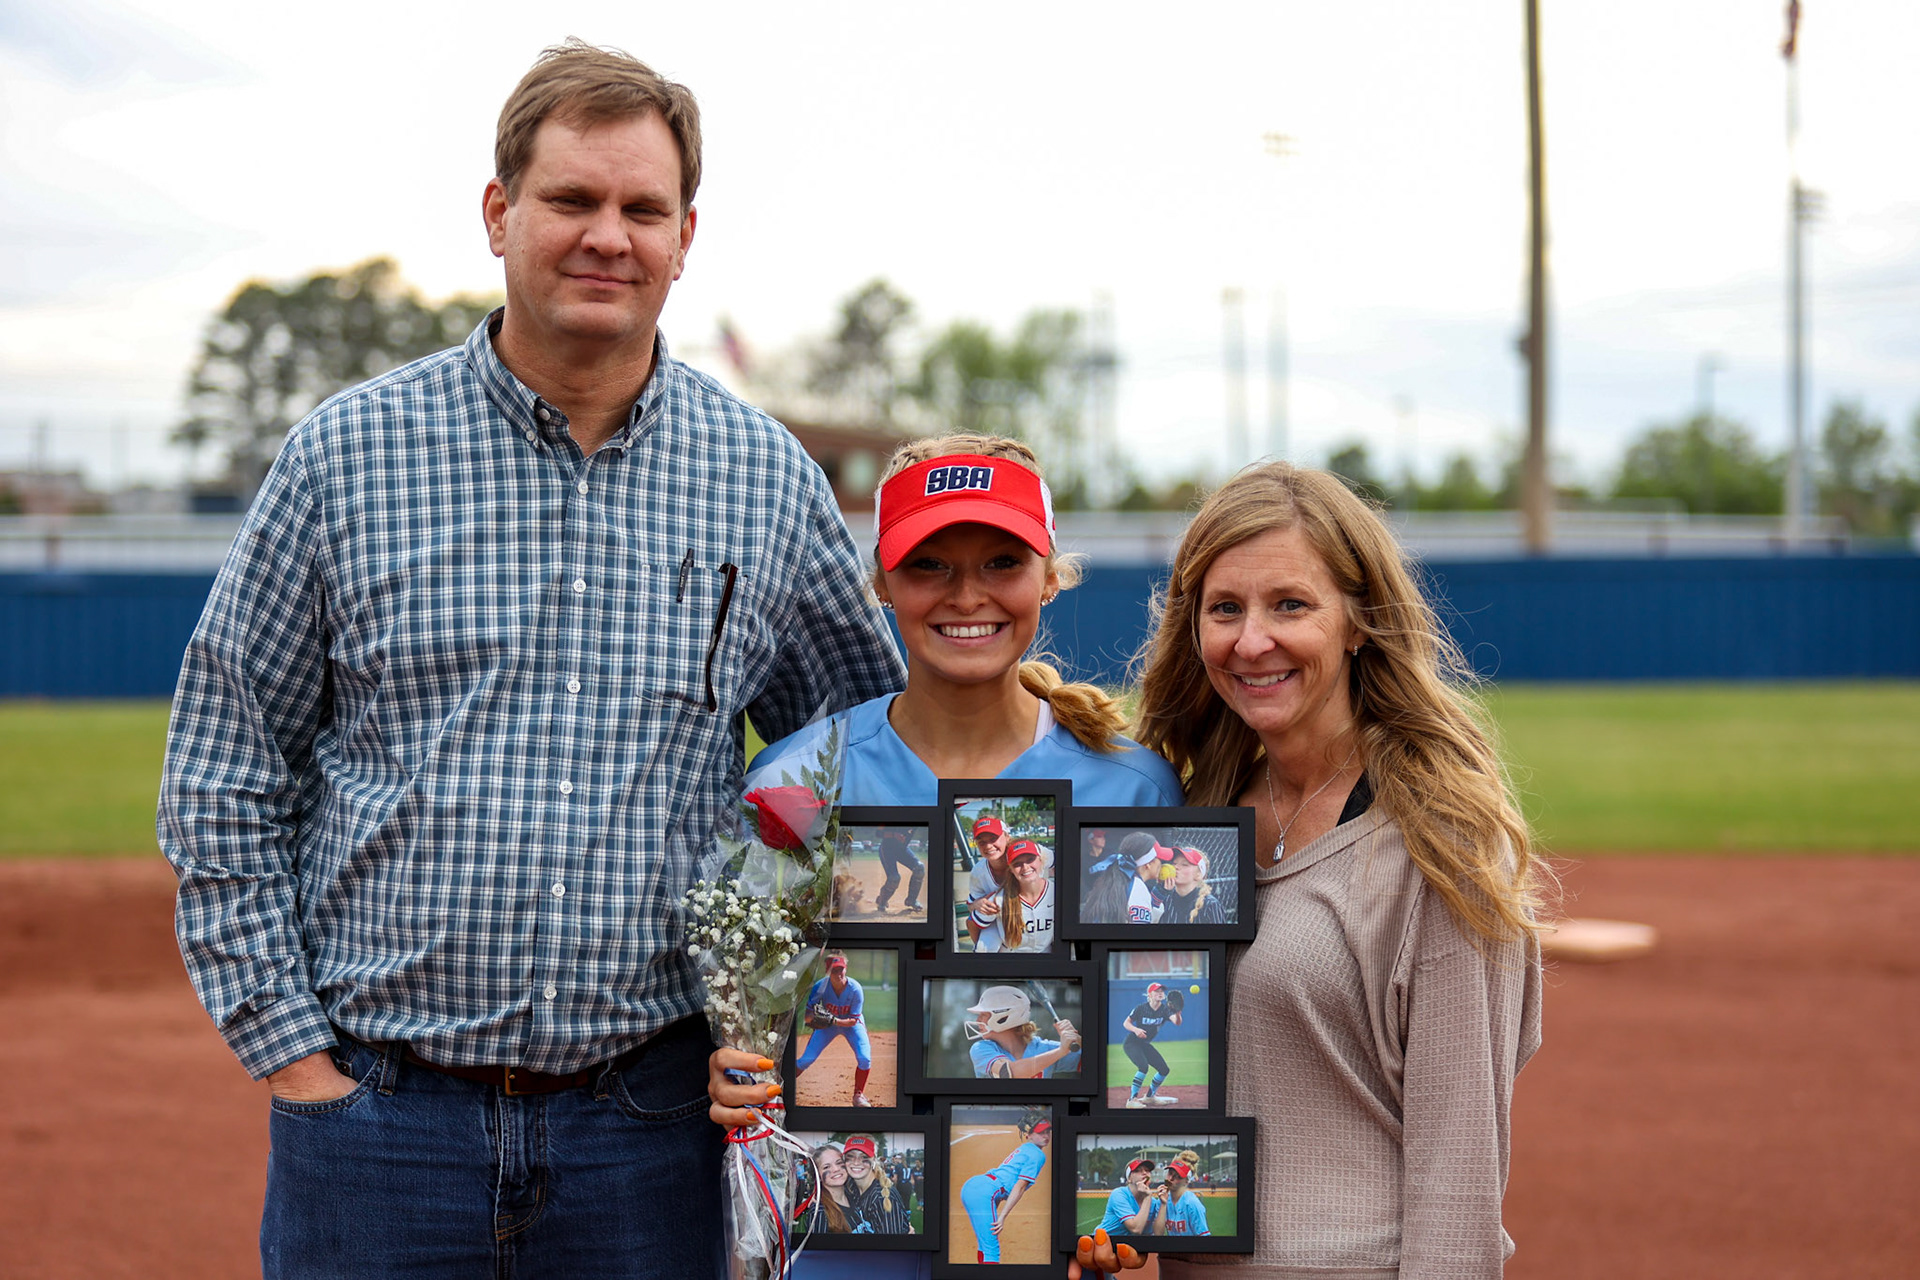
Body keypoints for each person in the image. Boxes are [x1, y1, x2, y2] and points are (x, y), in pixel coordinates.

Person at [155, 41, 904, 1279]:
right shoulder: (349, 456)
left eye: (641, 208)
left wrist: (782, 1022)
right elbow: (226, 765)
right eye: (572, 200)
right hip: (380, 1123)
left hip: (652, 1132)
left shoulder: (765, 479)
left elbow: (869, 755)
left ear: (685, 237)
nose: (608, 234)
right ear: (500, 214)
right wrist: (300, 1060)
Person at [709, 432, 1179, 1280]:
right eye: (930, 565)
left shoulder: (1134, 788)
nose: (969, 595)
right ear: (881, 584)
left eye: (1003, 561)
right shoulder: (795, 780)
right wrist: (738, 1070)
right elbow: (755, 1011)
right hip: (845, 1250)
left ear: (1050, 577)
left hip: (1046, 1244)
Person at [1093, 460, 1549, 1279]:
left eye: (1290, 605)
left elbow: (1458, 1181)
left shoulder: (1444, 842)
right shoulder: (1192, 820)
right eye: (1224, 608)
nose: (1251, 640)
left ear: (1358, 621)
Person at [960, 1117, 1053, 1265]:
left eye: (1048, 1132)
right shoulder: (1038, 1154)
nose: (1046, 1136)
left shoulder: (1025, 1148)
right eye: (1041, 1132)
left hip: (975, 1187)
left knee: (984, 1244)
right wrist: (1002, 1217)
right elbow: (1020, 1186)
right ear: (1028, 1135)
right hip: (984, 1193)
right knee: (992, 1250)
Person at [796, 953, 874, 1107]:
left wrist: (833, 1020)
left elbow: (853, 1020)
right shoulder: (820, 987)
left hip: (852, 1025)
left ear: (846, 969)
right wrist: (815, 1018)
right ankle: (782, 1086)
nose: (839, 974)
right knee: (806, 1060)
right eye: (834, 970)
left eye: (841, 969)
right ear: (828, 971)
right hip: (828, 1027)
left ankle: (858, 1096)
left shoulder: (855, 989)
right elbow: (807, 1016)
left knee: (865, 1059)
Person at [965, 985, 1082, 1080]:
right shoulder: (981, 1048)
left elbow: (1097, 1063)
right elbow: (1008, 1073)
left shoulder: (1044, 1048)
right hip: (998, 1109)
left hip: (1042, 1109)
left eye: (983, 1015)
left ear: (1002, 1017)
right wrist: (1061, 1051)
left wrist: (1077, 1040)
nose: (978, 1020)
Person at [971, 837, 1055, 952]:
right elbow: (972, 924)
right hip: (1012, 964)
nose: (1025, 867)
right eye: (1017, 864)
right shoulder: (999, 899)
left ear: (1041, 860)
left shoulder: (1056, 893)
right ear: (1010, 869)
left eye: (1030, 859)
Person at [1117, 982, 1180, 1107]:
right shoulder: (1141, 1008)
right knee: (1143, 1067)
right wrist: (1136, 1030)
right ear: (1150, 994)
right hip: (1132, 1043)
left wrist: (1178, 1012)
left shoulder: (1165, 1010)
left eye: (1162, 991)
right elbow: (1126, 1023)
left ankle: (1150, 1097)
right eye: (1157, 991)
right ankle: (1132, 1100)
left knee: (1163, 1070)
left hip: (1144, 1044)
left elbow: (1176, 1022)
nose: (1160, 993)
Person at [843, 1134, 913, 1234]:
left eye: (864, 1157)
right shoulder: (851, 1187)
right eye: (850, 1157)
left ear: (874, 1160)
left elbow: (892, 1247)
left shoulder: (882, 1198)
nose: (856, 1162)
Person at [1095, 1158, 1166, 1237]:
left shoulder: (1153, 1202)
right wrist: (1147, 1197)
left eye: (1147, 1170)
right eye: (1138, 1170)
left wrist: (1163, 1204)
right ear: (1129, 1179)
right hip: (1104, 1242)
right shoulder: (1119, 1194)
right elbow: (1136, 1229)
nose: (1144, 1173)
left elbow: (1158, 1234)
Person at [1157, 846, 1226, 926]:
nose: (1176, 867)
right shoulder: (1165, 900)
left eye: (1184, 864)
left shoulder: (1210, 905)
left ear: (1198, 875)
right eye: (1174, 863)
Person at [805, 1142, 857, 1235]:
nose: (836, 1169)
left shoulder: (855, 1197)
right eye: (826, 1167)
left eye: (839, 1163)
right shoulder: (819, 1212)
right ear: (818, 1176)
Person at [874, 824, 924, 914]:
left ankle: (912, 900)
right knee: (894, 878)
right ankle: (882, 902)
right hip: (887, 849)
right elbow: (878, 833)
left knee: (919, 868)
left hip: (902, 850)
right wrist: (893, 834)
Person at [1157, 1161, 1211, 1239]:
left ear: (1186, 1181)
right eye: (1170, 1173)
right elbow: (1158, 1234)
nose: (1171, 1178)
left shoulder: (1192, 1204)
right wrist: (1163, 1204)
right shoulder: (1163, 1199)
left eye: (1178, 1176)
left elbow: (1204, 1237)